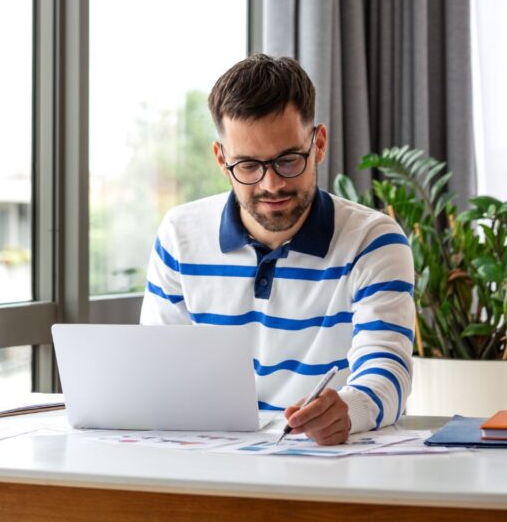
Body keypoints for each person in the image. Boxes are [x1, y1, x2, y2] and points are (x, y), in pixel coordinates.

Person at [140, 54, 414, 445]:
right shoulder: (179, 235)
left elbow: (388, 371)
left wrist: (348, 410)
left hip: (328, 458)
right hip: (209, 455)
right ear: (221, 159)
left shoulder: (374, 241)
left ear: (318, 144)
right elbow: (159, 370)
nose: (271, 185)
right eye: (248, 165)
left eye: (288, 160)